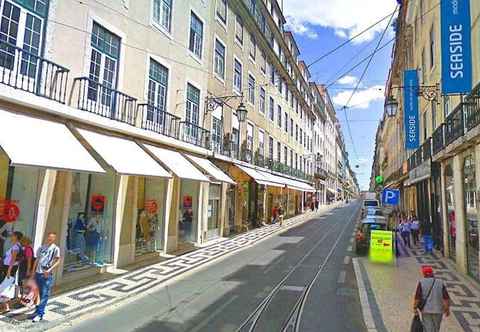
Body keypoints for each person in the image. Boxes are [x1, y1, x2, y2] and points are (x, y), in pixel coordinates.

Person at [31, 232, 61, 323]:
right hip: (38, 273)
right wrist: (33, 271)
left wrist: (50, 269)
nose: (50, 239)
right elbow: (37, 260)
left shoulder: (55, 248)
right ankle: (37, 310)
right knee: (37, 293)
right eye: (49, 237)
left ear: (54, 239)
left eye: (52, 238)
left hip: (46, 274)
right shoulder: (41, 247)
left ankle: (40, 314)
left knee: (44, 294)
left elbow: (58, 260)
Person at [413, 265, 450, 332]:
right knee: (436, 328)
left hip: (426, 310)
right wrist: (447, 309)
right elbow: (446, 298)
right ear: (432, 273)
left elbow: (417, 297)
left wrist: (415, 307)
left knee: (427, 328)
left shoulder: (421, 282)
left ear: (423, 274)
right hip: (438, 310)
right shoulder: (440, 282)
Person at [0, 231, 23, 312]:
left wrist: (9, 271)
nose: (11, 237)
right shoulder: (17, 246)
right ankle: (5, 306)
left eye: (12, 235)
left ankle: (6, 307)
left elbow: (13, 260)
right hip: (10, 269)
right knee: (6, 287)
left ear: (16, 237)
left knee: (5, 287)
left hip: (9, 269)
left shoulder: (15, 247)